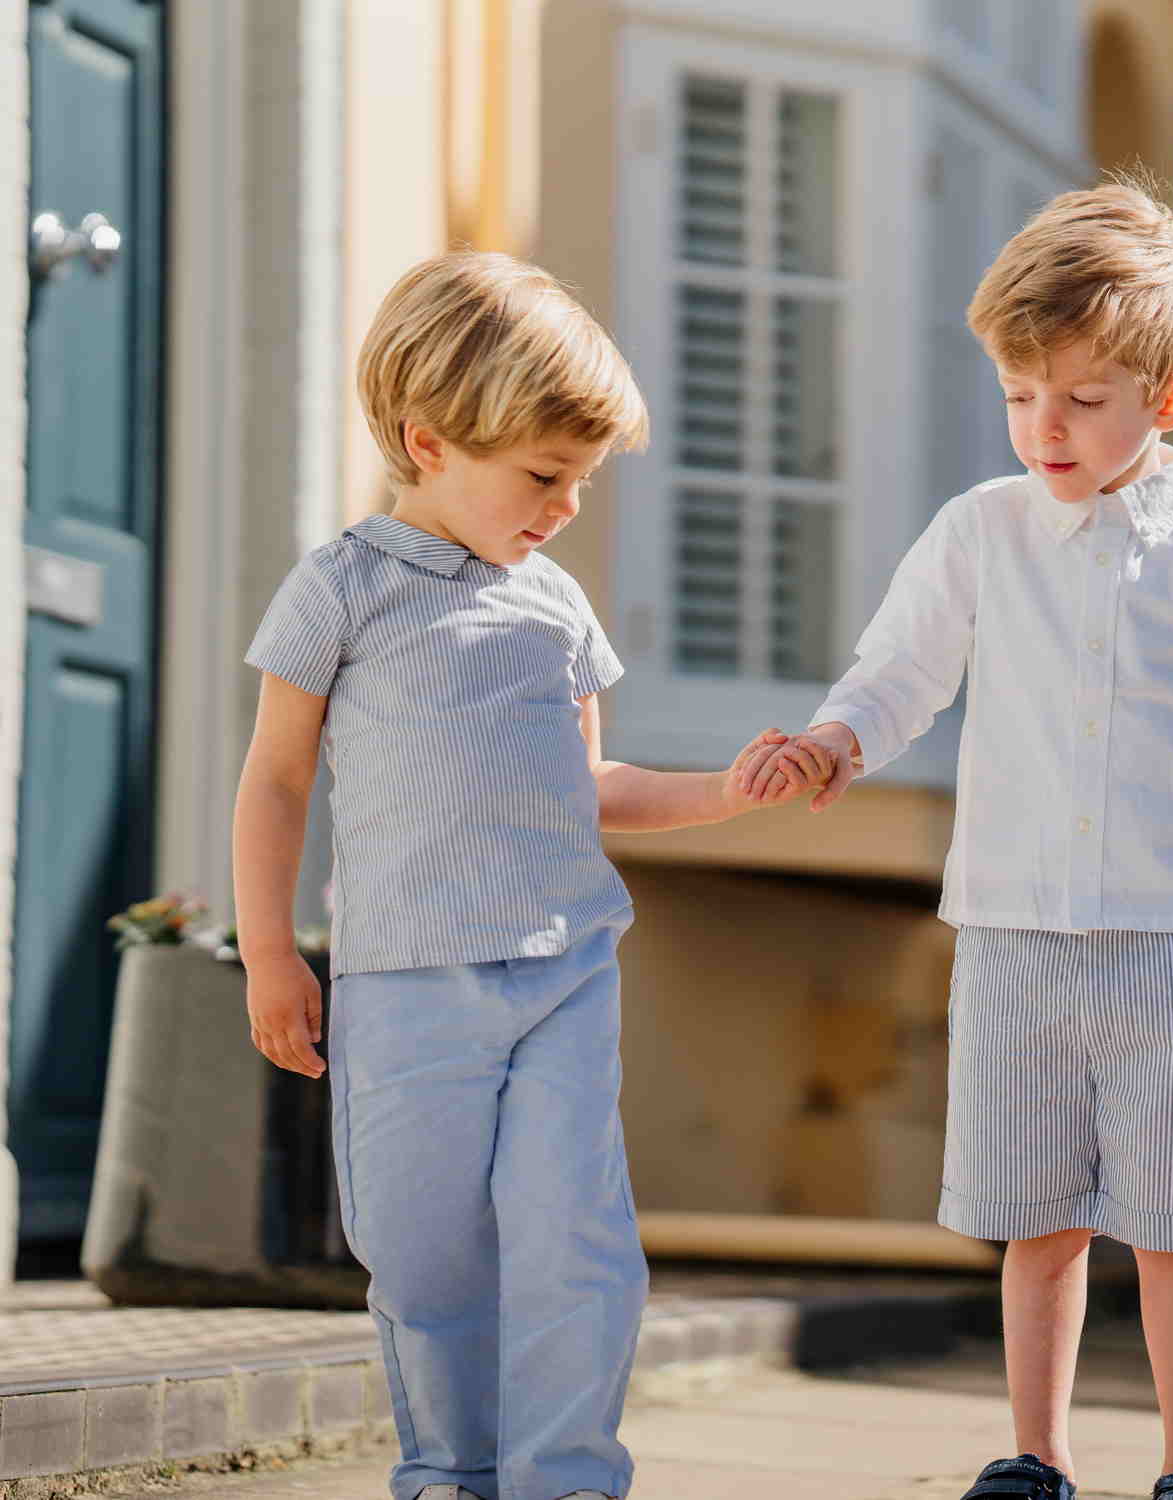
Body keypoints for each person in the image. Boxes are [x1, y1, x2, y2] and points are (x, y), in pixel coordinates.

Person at [742, 180, 1173, 1500]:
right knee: (1037, 1220)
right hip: (1011, 941)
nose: (1043, 427)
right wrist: (839, 739)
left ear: (1169, 398)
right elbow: (900, 667)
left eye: (1081, 398)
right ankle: (1036, 1457)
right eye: (1021, 395)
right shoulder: (981, 533)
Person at [232, 251, 830, 1500]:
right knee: (423, 1254)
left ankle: (566, 1479)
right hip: (405, 988)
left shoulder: (556, 609)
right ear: (429, 439)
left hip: (562, 973)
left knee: (577, 1243)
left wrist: (730, 787)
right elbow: (278, 780)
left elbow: (593, 791)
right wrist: (274, 951)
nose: (565, 507)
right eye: (545, 476)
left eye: (583, 480)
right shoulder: (341, 590)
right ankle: (452, 1469)